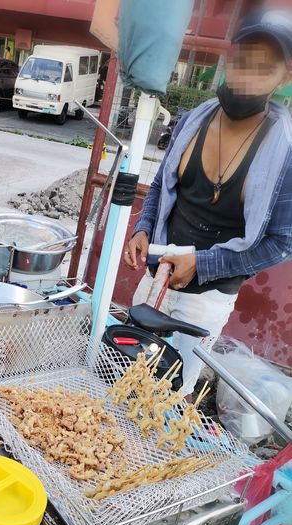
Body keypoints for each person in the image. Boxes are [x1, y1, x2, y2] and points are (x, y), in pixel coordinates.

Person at [125, 9, 292, 396]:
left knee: (168, 393)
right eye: (241, 62)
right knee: (125, 372)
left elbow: (282, 242)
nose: (246, 78)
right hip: (157, 276)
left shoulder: (285, 150)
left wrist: (203, 263)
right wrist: (143, 227)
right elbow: (161, 186)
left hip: (208, 296)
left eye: (263, 70)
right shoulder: (192, 121)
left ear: (284, 77)